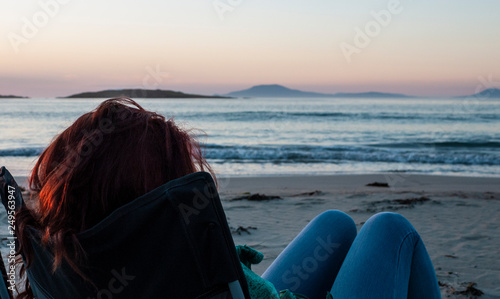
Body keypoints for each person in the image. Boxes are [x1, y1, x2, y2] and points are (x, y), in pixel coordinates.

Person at [13, 98, 440, 298]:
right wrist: (250, 287)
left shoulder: (57, 254)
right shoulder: (189, 276)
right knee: (391, 230)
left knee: (336, 224)